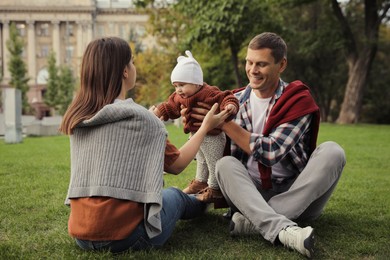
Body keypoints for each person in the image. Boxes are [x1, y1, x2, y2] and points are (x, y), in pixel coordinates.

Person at [59, 37, 230, 253]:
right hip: (129, 237)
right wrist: (205, 127)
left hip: (81, 235)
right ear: (124, 71)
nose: (134, 66)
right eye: (132, 62)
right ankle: (205, 200)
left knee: (168, 196)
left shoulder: (79, 118)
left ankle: (200, 196)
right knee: (176, 195)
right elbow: (177, 165)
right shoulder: (141, 118)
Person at [186, 32, 346, 258]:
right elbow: (205, 149)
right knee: (224, 164)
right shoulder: (233, 101)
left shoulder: (297, 99)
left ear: (282, 64)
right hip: (249, 193)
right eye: (249, 62)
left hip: (297, 194)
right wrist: (196, 123)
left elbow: (271, 152)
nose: (252, 70)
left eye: (261, 64)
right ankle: (284, 229)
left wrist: (224, 124)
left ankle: (255, 222)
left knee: (333, 151)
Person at [151, 50, 239, 205]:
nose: (178, 90)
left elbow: (227, 96)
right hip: (196, 135)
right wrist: (160, 111)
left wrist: (230, 105)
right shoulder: (178, 96)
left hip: (213, 135)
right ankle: (200, 181)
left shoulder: (209, 93)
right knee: (202, 160)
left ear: (197, 82)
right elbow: (170, 107)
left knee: (213, 161)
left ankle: (215, 188)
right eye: (176, 86)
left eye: (182, 85)